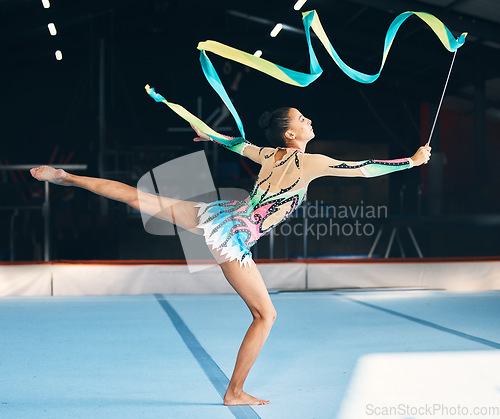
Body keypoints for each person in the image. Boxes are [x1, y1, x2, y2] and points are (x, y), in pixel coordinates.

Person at [30, 107, 431, 405]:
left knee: (139, 198)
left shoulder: (269, 155)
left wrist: (210, 136)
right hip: (234, 234)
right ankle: (235, 392)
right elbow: (364, 169)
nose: (309, 120)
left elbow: (237, 143)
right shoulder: (311, 162)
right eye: (302, 118)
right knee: (265, 315)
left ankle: (67, 178)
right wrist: (411, 162)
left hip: (220, 213)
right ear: (292, 134)